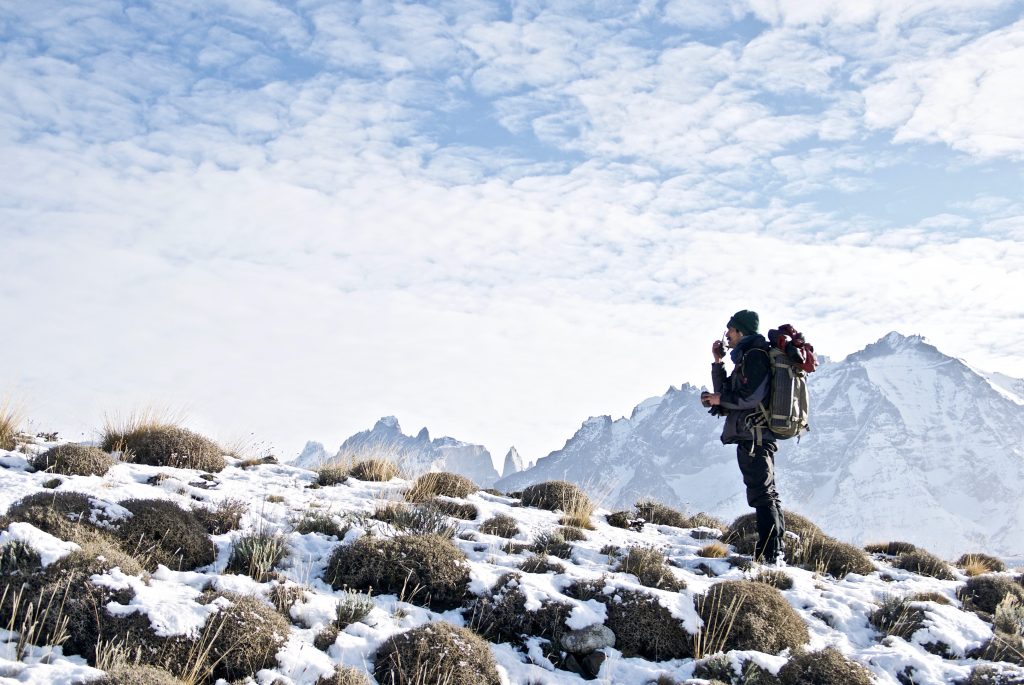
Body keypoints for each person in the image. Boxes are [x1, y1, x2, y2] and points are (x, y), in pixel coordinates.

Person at [700, 310, 786, 563]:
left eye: (730, 330)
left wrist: (720, 400)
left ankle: (770, 554)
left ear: (740, 331)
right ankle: (773, 551)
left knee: (762, 494)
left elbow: (751, 396)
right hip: (753, 435)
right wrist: (718, 362)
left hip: (755, 437)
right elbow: (729, 393)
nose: (726, 335)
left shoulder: (755, 356)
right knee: (765, 492)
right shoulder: (746, 357)